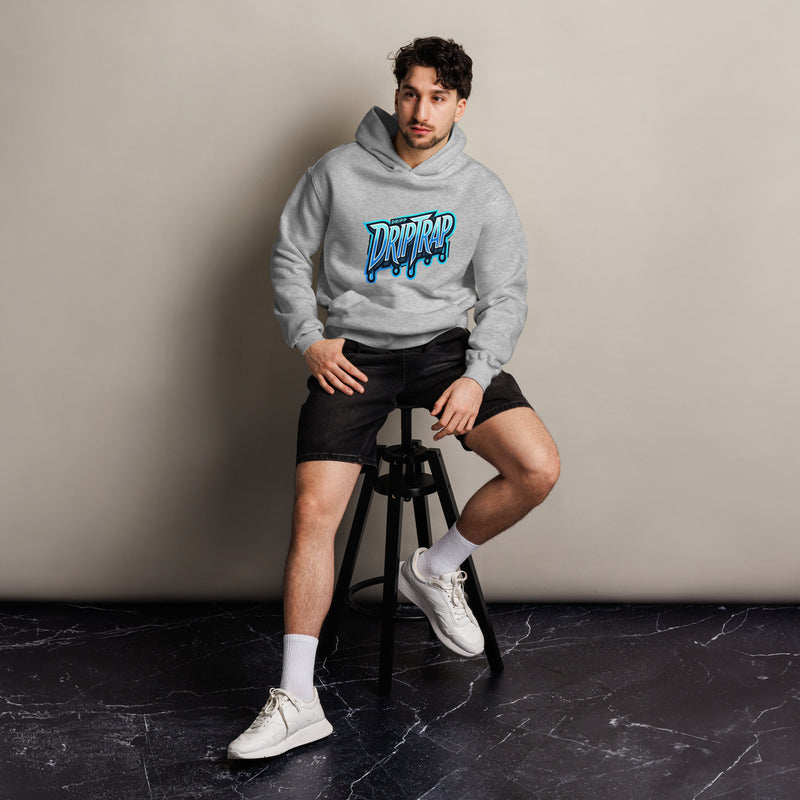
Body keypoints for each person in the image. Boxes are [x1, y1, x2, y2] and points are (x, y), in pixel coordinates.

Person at [227, 36, 560, 760]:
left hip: (444, 351)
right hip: (355, 353)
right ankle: (297, 699)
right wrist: (310, 338)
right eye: (411, 93)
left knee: (536, 467)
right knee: (314, 511)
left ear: (460, 105)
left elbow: (504, 295)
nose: (420, 110)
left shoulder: (481, 190)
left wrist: (476, 373)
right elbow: (289, 254)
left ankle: (435, 568)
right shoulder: (337, 171)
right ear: (396, 94)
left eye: (438, 97)